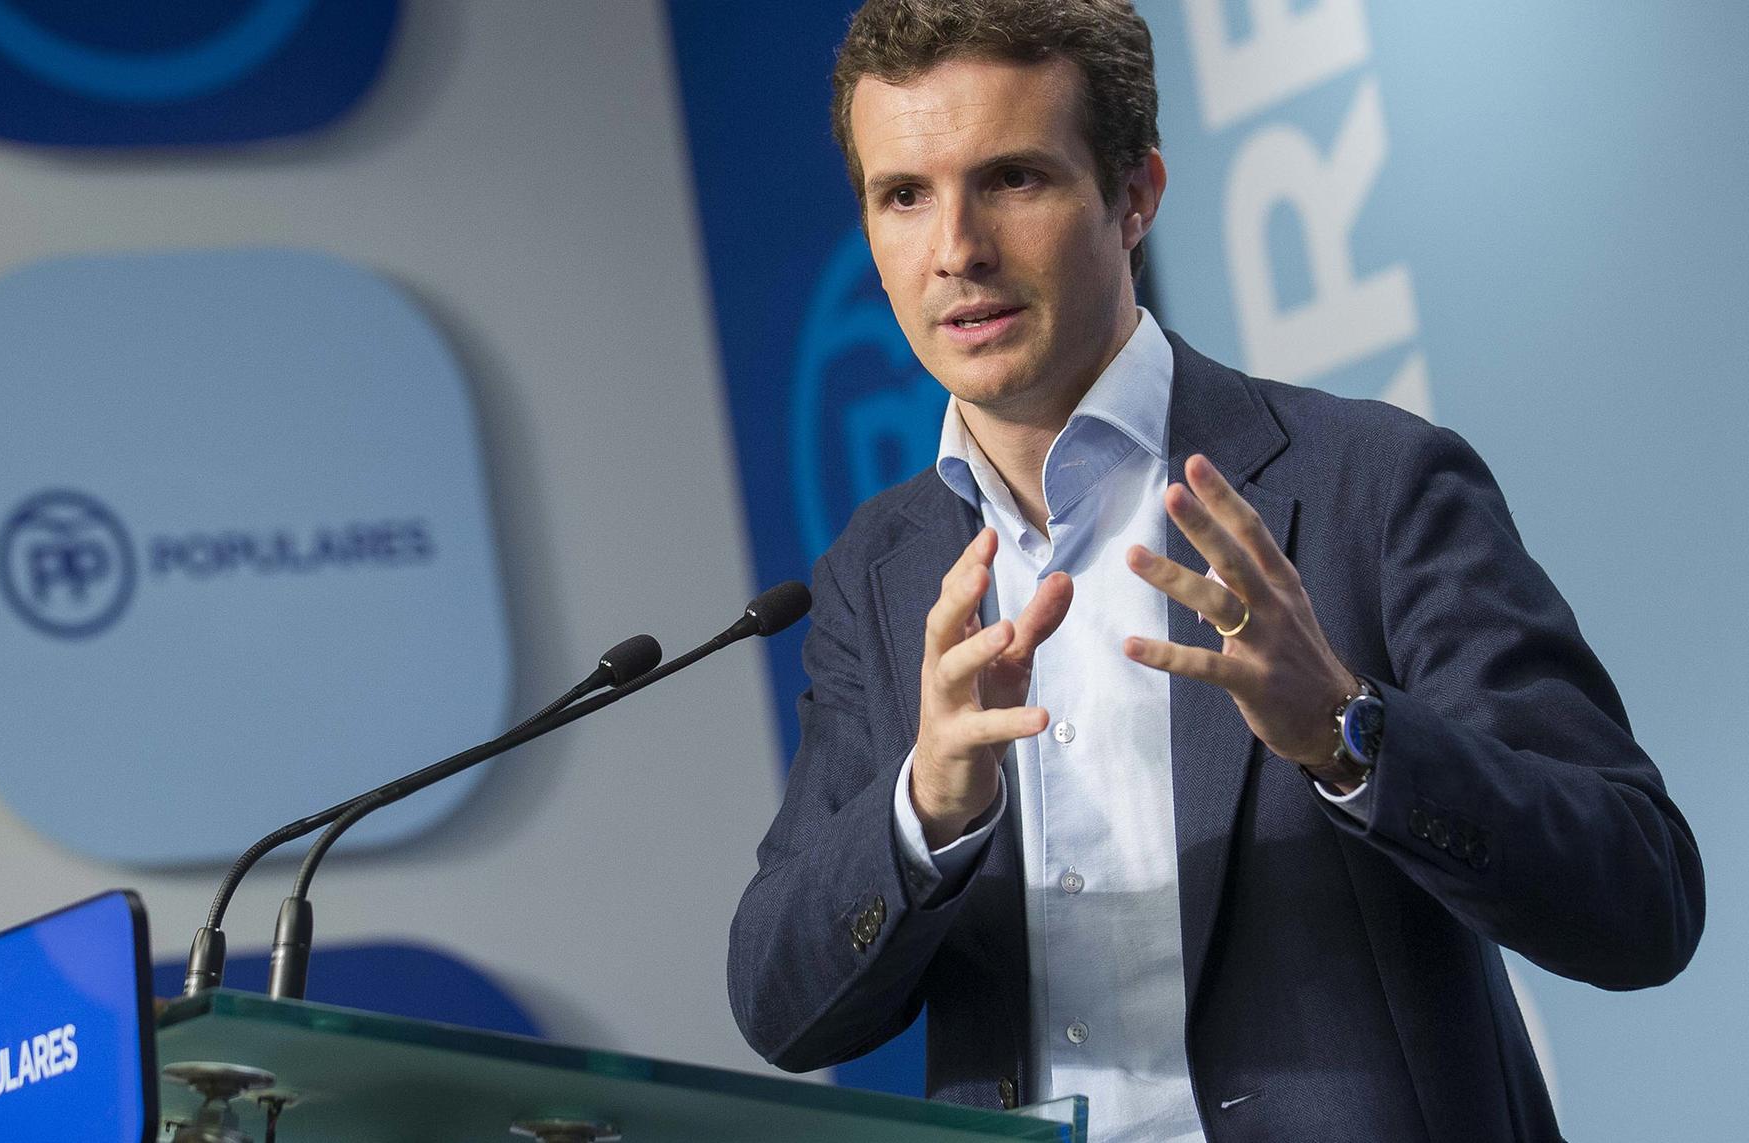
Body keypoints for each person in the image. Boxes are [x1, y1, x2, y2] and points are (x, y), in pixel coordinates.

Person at [725, 1, 1705, 1139]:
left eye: (1013, 178)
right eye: (904, 195)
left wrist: (1347, 733)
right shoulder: (878, 573)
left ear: (1134, 195)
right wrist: (923, 812)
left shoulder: (1369, 483)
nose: (956, 249)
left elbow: (1641, 898)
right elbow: (779, 1007)